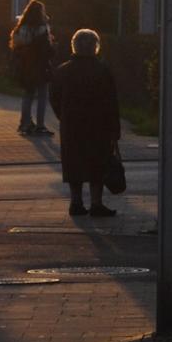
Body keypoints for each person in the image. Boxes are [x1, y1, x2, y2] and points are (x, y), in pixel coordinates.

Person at [50, 28, 120, 217]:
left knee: (74, 163)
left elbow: (54, 98)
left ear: (74, 46)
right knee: (97, 163)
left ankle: (76, 202)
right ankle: (96, 203)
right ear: (95, 47)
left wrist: (62, 116)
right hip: (99, 126)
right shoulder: (103, 71)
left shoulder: (63, 71)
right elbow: (112, 102)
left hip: (71, 125)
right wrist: (115, 129)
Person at [9, 0, 55, 136]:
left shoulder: (20, 30)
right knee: (42, 96)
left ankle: (25, 123)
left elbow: (16, 49)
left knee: (28, 94)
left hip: (25, 66)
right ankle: (40, 125)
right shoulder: (43, 29)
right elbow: (48, 50)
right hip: (40, 67)